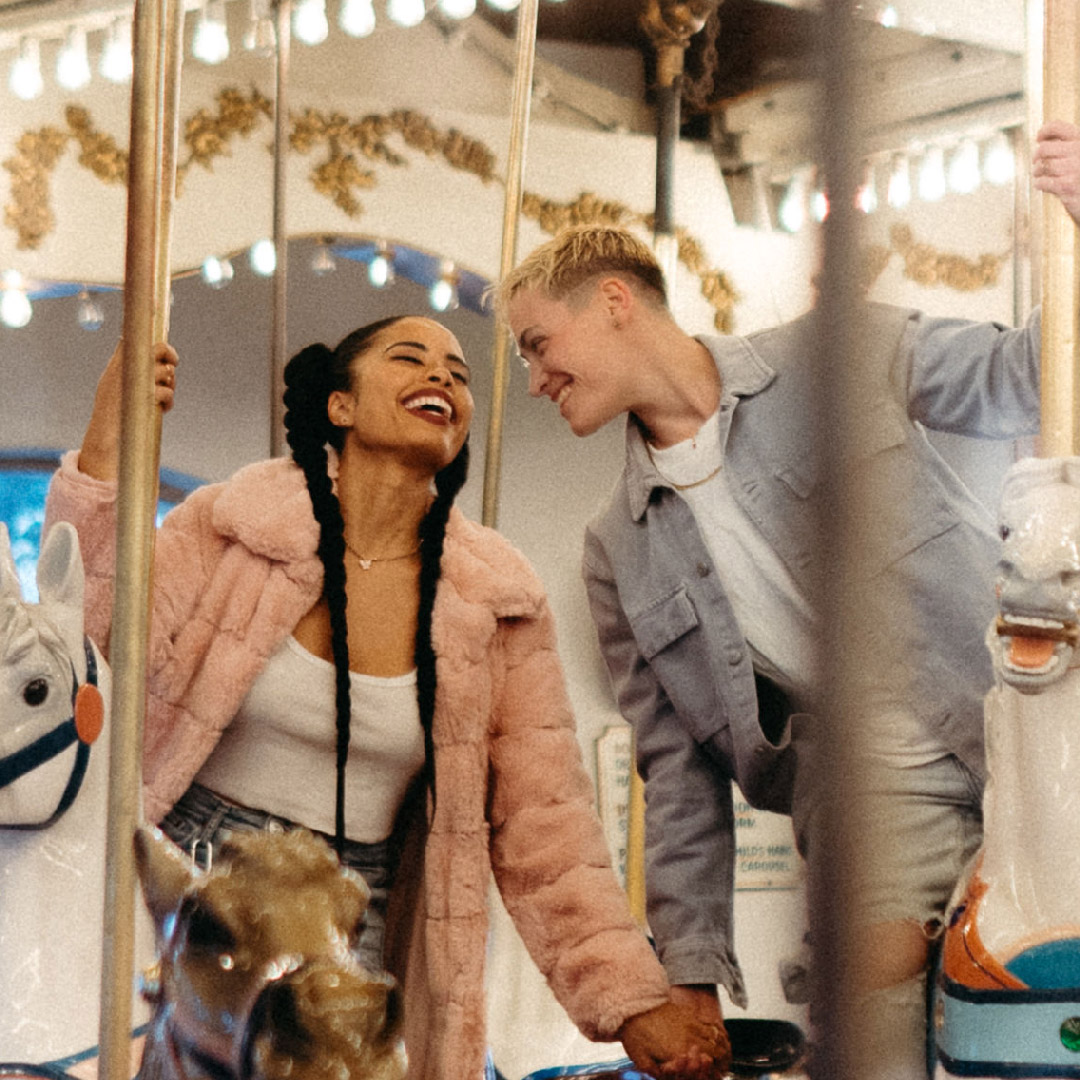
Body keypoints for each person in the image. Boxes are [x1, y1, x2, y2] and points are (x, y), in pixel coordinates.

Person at [493, 120, 1080, 1077]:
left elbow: (1029, 378)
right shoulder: (619, 550)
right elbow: (675, 773)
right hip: (867, 789)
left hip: (1011, 706)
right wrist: (686, 971)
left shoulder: (836, 356)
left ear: (612, 302)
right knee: (870, 1013)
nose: (534, 377)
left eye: (538, 343)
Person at [44, 316, 730, 1080]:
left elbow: (549, 827)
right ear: (340, 406)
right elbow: (98, 639)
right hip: (195, 893)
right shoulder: (239, 527)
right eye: (411, 359)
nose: (442, 378)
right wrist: (110, 440)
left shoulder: (494, 596)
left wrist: (629, 1000)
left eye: (459, 373)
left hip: (349, 912)